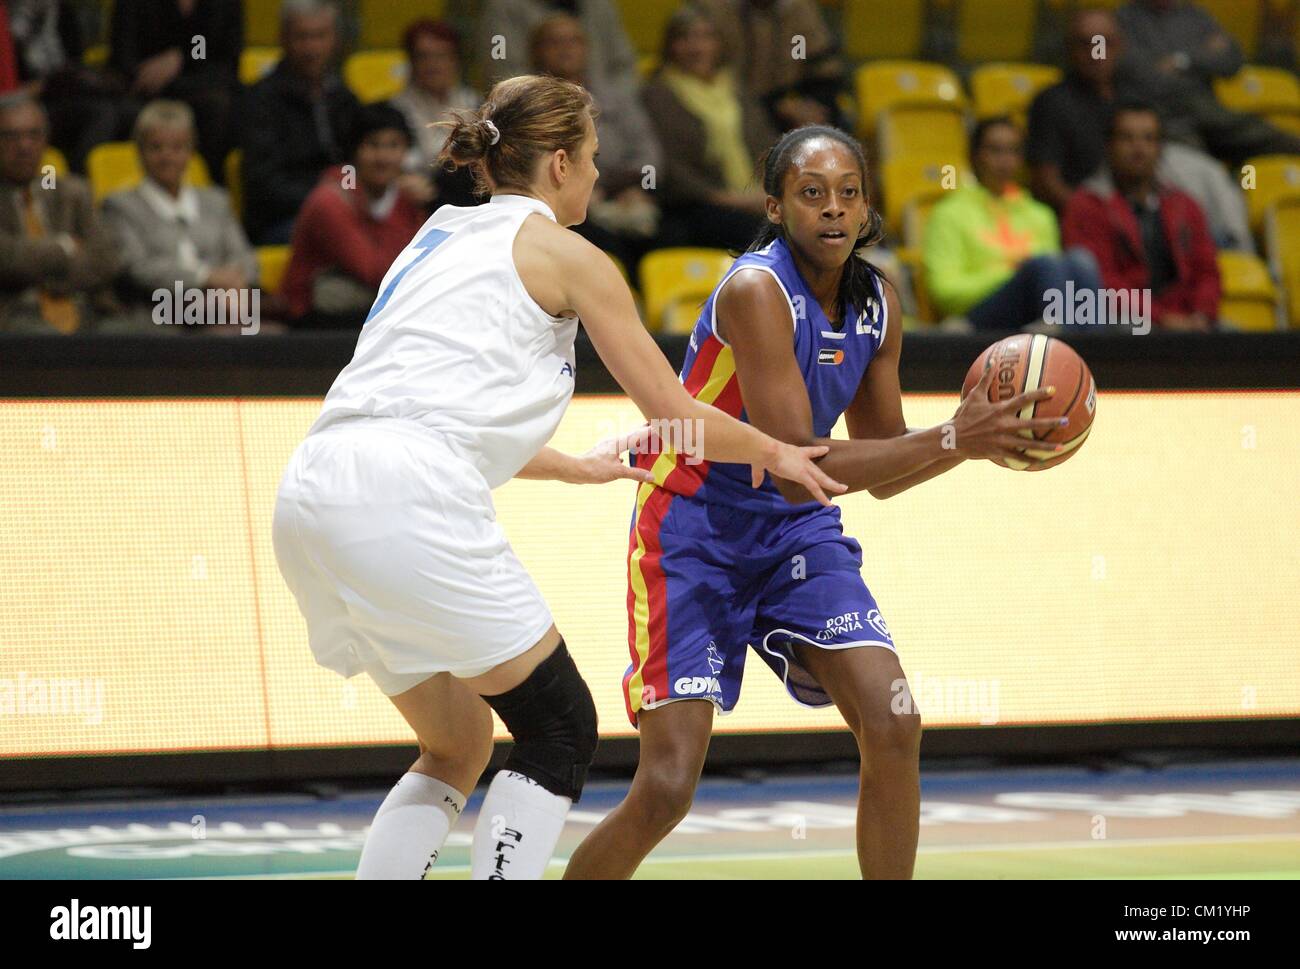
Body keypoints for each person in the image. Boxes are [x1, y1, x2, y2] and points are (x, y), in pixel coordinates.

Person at [271, 74, 845, 880]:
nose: (601, 175)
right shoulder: (573, 256)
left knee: (457, 742)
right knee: (562, 726)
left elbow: (426, 404)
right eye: (597, 159)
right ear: (562, 164)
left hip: (312, 489)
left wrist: (574, 466)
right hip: (405, 494)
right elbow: (676, 409)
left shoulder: (432, 232)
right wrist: (779, 452)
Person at [562, 125, 1066, 880]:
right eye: (812, 193)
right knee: (666, 788)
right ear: (776, 205)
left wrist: (969, 442)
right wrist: (956, 437)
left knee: (893, 719)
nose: (833, 209)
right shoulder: (756, 290)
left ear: (868, 209)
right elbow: (799, 461)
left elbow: (885, 466)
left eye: (849, 193)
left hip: (798, 535)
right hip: (693, 529)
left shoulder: (879, 304)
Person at [1027, 6, 1254, 251]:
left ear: (1121, 46)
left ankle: (1239, 254)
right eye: (1087, 43)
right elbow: (1045, 182)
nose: (1097, 52)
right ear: (1070, 48)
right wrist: (1097, 216)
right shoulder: (1052, 102)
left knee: (1207, 176)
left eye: (1106, 43)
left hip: (1146, 215)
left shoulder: (1133, 93)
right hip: (1093, 221)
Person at [924, 117, 1100, 331]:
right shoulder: (949, 213)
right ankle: (1062, 343)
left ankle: (1090, 346)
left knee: (1081, 261)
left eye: (1013, 151)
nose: (1005, 161)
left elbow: (1056, 282)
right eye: (995, 151)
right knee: (1043, 265)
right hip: (978, 317)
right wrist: (1012, 272)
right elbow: (945, 292)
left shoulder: (1040, 214)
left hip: (1035, 309)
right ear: (975, 156)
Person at [1063, 102, 1221, 331]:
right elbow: (1101, 282)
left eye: (1149, 139)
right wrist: (1162, 318)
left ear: (1160, 148)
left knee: (1241, 342)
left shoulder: (1184, 205)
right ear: (1109, 145)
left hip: (1189, 320)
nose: (1139, 148)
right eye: (1127, 138)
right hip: (1121, 321)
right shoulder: (1088, 204)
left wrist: (1202, 315)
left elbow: (1207, 271)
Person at [101, 100, 256, 330]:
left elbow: (246, 258)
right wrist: (205, 277)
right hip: (157, 319)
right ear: (139, 151)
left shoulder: (216, 201)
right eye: (156, 147)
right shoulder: (120, 206)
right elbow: (137, 267)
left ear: (191, 151)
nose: (167, 157)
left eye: (177, 147)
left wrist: (234, 280)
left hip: (223, 312)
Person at [529, 12, 662, 272]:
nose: (565, 49)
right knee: (605, 244)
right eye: (555, 42)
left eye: (573, 41)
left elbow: (648, 153)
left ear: (587, 48)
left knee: (667, 237)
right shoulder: (529, 103)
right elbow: (532, 162)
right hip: (561, 203)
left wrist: (634, 188)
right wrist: (580, 193)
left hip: (623, 193)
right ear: (535, 51)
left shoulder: (617, 98)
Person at [641, 7, 775, 252]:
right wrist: (730, 199)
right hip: (693, 204)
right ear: (670, 46)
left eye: (706, 37)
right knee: (761, 235)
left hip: (755, 196)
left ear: (719, 44)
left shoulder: (737, 89)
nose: (697, 47)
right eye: (685, 38)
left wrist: (769, 191)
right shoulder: (658, 95)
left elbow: (767, 143)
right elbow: (670, 168)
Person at [281, 104, 427, 327]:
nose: (383, 157)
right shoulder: (331, 199)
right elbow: (375, 271)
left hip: (366, 317)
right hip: (312, 326)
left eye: (393, 145)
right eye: (373, 145)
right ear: (354, 151)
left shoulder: (404, 195)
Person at [1116, 0, 1300, 165]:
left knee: (1284, 141)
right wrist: (1204, 56)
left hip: (1209, 109)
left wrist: (1183, 60)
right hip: (1163, 115)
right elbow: (1146, 76)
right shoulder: (1123, 20)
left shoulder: (1194, 15)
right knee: (1201, 172)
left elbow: (1233, 60)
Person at [241, 0, 360, 244]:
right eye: (302, 37)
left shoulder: (343, 95)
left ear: (334, 39)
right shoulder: (260, 100)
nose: (311, 47)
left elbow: (357, 159)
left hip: (346, 206)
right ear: (283, 39)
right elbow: (262, 186)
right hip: (285, 219)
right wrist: (326, 196)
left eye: (320, 36)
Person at [0, 92, 120, 332]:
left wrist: (38, 271)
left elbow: (105, 260)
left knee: (149, 337)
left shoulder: (73, 191)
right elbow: (6, 258)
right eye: (11, 136)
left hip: (87, 310)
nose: (24, 146)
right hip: (15, 315)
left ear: (46, 139)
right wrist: (64, 248)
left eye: (34, 135)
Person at [110, 0, 242, 183]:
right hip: (146, 91)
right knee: (120, 115)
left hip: (201, 90)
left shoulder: (222, 5)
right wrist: (157, 71)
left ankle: (211, 187)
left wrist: (181, 59)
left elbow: (226, 65)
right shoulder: (134, 5)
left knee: (224, 107)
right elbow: (123, 58)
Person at [696, 0, 849, 133]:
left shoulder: (798, 10)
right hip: (728, 106)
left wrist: (807, 103)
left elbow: (817, 64)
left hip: (788, 102)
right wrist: (779, 106)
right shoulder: (714, 10)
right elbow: (705, 75)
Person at [388, 19, 480, 211]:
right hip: (420, 198)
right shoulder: (393, 110)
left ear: (455, 60)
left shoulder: (475, 104)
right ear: (411, 61)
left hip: (468, 196)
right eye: (424, 56)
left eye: (441, 55)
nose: (433, 64)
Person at [476, 0, 638, 93]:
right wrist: (544, 103)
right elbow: (499, 65)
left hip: (604, 110)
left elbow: (624, 65)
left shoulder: (600, 6)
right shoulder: (502, 9)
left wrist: (605, 101)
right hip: (534, 113)